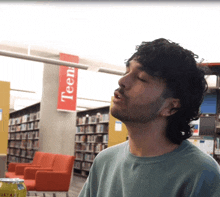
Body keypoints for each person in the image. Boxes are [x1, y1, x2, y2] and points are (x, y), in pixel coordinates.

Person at [78, 38, 220, 197]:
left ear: (170, 107)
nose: (122, 81)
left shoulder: (201, 174)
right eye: (127, 72)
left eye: (141, 78)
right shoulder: (105, 160)